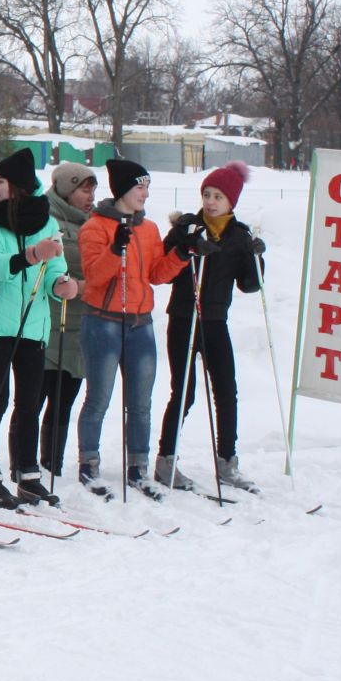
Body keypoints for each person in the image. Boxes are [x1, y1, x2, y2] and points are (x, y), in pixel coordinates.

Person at [0, 147, 78, 509]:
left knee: (30, 400)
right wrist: (33, 255)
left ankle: (29, 474)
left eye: (1, 181)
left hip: (34, 325)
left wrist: (63, 285)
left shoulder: (46, 224)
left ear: (17, 187)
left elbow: (53, 271)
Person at [76, 157, 186, 501]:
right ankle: (88, 463)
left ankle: (138, 466)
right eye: (140, 187)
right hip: (104, 323)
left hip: (141, 324)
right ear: (123, 189)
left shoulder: (149, 229)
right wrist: (115, 249)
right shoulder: (95, 228)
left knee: (140, 402)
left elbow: (156, 274)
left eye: (148, 187)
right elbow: (95, 276)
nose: (145, 193)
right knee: (99, 399)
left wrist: (182, 254)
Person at [155, 161, 265, 493]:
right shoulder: (189, 227)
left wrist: (257, 258)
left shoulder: (239, 235)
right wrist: (185, 250)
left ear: (232, 201)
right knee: (184, 393)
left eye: (218, 196)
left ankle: (227, 461)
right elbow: (163, 269)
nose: (211, 201)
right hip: (184, 319)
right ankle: (166, 461)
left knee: (226, 392)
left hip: (216, 321)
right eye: (207, 194)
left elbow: (249, 285)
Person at [39, 162, 95, 485]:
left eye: (92, 190)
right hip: (50, 322)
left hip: (79, 325)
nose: (89, 197)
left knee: (65, 397)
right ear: (64, 188)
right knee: (38, 396)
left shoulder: (94, 222)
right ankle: (30, 462)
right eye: (83, 189)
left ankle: (53, 463)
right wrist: (81, 285)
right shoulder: (47, 219)